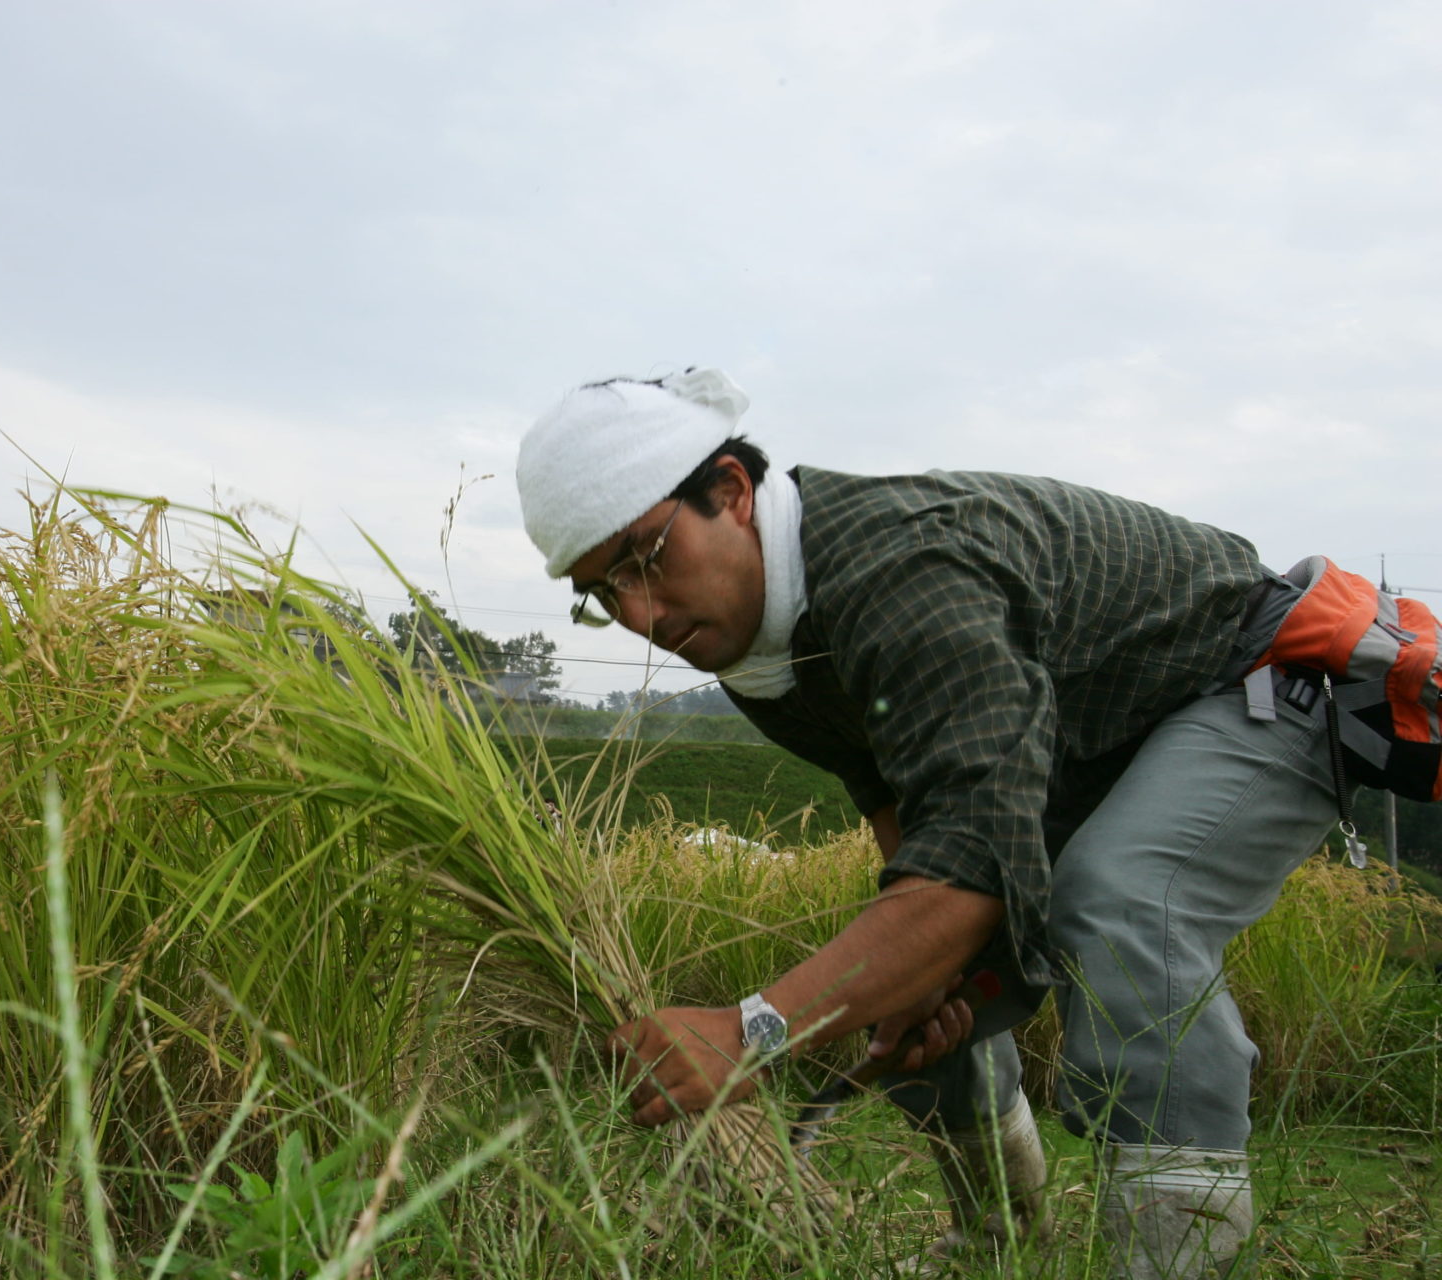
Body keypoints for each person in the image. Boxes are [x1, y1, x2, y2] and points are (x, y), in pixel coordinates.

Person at [513, 368, 1337, 1279]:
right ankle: (1001, 1250)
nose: (640, 615)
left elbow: (973, 865)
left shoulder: (904, 575)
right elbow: (908, 821)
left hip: (1254, 678)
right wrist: (919, 982)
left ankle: (1177, 1265)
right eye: (602, 592)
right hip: (1088, 750)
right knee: (894, 984)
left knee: (1121, 899)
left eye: (644, 557)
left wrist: (751, 1032)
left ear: (733, 494)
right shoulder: (757, 646)